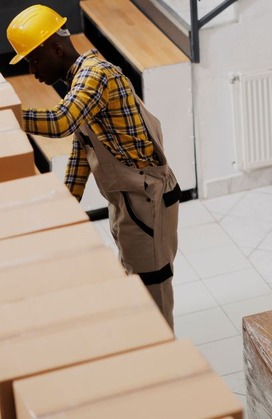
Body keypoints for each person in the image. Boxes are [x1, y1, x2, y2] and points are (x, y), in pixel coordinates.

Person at [7, 5, 180, 328]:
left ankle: (165, 360)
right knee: (135, 282)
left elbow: (60, 122)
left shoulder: (96, 75)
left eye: (34, 59)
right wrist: (66, 208)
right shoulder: (79, 83)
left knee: (152, 290)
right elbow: (81, 148)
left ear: (57, 48)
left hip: (147, 199)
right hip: (127, 199)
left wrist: (8, 115)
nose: (33, 71)